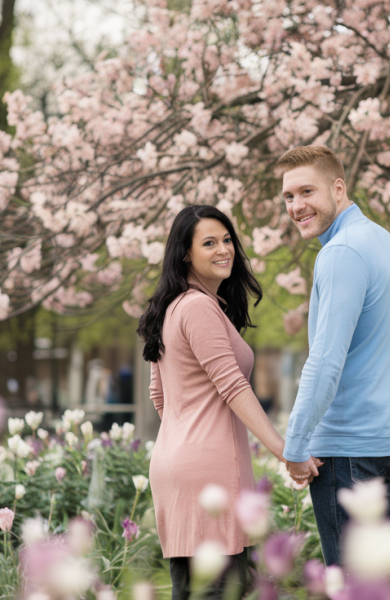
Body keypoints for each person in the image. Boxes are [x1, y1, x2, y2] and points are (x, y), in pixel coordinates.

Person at [275, 146, 390, 567]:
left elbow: (325, 362)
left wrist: (297, 445)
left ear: (338, 188)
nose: (296, 205)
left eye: (307, 191)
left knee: (355, 584)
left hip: (348, 451)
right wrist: (387, 407)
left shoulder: (340, 253)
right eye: (288, 196)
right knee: (384, 580)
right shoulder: (384, 241)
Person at [137, 205, 290, 600]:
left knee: (193, 589)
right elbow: (233, 386)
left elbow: (160, 396)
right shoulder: (198, 307)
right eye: (209, 243)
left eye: (226, 240)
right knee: (221, 589)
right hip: (210, 474)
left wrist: (189, 432)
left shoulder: (170, 308)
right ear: (186, 253)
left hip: (176, 467)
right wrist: (283, 450)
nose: (224, 249)